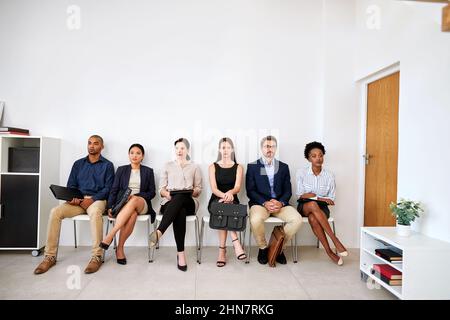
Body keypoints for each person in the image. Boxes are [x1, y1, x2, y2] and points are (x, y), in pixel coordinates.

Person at [34, 135, 114, 274]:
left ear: (102, 147)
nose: (91, 146)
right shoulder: (78, 164)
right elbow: (71, 185)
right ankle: (50, 256)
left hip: (97, 200)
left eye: (95, 144)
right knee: (55, 211)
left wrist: (92, 199)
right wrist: (73, 198)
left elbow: (108, 188)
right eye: (89, 143)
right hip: (78, 201)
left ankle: (96, 256)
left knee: (95, 213)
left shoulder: (107, 165)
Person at [246, 136, 302, 265]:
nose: (269, 149)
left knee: (297, 219)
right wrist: (265, 202)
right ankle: (263, 248)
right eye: (266, 146)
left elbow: (288, 190)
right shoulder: (253, 166)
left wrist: (281, 202)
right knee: (254, 219)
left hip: (280, 204)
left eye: (272, 146)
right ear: (261, 148)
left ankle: (278, 247)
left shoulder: (283, 167)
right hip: (260, 204)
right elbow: (251, 191)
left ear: (276, 148)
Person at [149, 138, 202, 271]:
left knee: (181, 198)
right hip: (169, 202)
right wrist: (170, 195)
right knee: (180, 209)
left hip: (190, 201)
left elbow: (198, 189)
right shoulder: (167, 165)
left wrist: (190, 192)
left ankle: (159, 231)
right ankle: (181, 254)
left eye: (182, 148)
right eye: (177, 148)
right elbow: (161, 189)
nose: (179, 151)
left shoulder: (194, 166)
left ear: (187, 150)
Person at [99, 144, 156, 265]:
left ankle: (110, 235)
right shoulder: (121, 170)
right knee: (132, 215)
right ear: (129, 155)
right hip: (123, 204)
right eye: (132, 153)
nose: (134, 155)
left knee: (134, 200)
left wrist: (136, 196)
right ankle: (120, 249)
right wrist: (110, 206)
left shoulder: (148, 171)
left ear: (142, 156)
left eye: (138, 153)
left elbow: (152, 193)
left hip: (142, 203)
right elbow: (114, 190)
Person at [296, 141, 348, 266]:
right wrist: (320, 198)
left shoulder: (329, 175)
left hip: (322, 209)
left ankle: (329, 252)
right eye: (313, 156)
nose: (318, 158)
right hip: (304, 206)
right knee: (313, 205)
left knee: (314, 219)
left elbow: (331, 199)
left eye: (320, 155)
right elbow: (300, 194)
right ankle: (335, 240)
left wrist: (314, 196)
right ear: (308, 158)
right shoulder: (301, 173)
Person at [208, 137, 246, 267]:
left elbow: (237, 187)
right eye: (223, 147)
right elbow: (213, 188)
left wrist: (229, 194)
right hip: (216, 199)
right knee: (223, 208)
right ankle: (236, 242)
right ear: (219, 149)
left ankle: (222, 251)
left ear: (232, 150)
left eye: (228, 147)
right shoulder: (212, 166)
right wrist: (223, 196)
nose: (225, 150)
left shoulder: (239, 167)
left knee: (225, 209)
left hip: (232, 199)